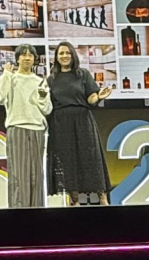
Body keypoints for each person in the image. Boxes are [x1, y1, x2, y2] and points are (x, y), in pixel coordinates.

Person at [46, 41, 112, 206]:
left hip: (83, 119)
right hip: (61, 123)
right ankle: (74, 200)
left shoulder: (83, 74)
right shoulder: (51, 79)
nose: (64, 56)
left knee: (91, 157)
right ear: (56, 57)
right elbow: (47, 104)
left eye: (67, 53)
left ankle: (103, 198)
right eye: (61, 53)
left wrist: (99, 96)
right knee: (68, 160)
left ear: (73, 55)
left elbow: (91, 98)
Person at [0, 44, 51, 208]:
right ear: (17, 59)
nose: (27, 58)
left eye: (30, 55)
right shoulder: (11, 78)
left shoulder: (40, 81)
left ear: (34, 59)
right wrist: (6, 75)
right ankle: (19, 212)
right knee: (19, 174)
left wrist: (43, 97)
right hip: (17, 128)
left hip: (37, 129)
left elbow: (47, 109)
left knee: (36, 176)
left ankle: (37, 212)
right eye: (23, 55)